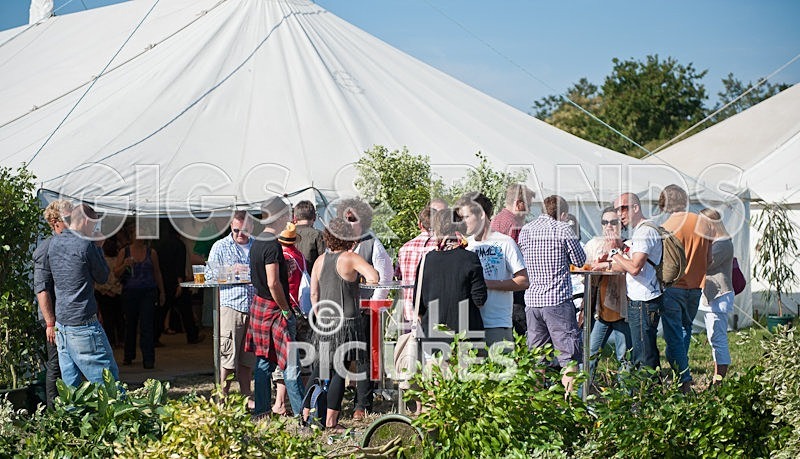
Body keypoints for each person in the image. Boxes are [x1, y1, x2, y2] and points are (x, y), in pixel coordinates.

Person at [309, 217, 380, 432]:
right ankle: (331, 421)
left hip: (324, 320)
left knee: (322, 368)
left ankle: (309, 415)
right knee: (340, 369)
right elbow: (374, 277)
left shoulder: (320, 260)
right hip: (347, 321)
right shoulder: (350, 257)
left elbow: (314, 293)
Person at [518, 195, 585, 392]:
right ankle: (571, 405)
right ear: (563, 214)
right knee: (568, 356)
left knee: (537, 358)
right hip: (557, 300)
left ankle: (537, 406)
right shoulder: (563, 228)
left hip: (532, 300)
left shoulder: (526, 230)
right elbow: (580, 260)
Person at [47, 203, 119, 386]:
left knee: (72, 391)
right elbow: (102, 277)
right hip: (84, 323)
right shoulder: (86, 244)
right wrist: (98, 247)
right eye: (94, 224)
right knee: (109, 385)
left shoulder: (54, 242)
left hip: (62, 323)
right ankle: (117, 416)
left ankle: (71, 416)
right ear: (87, 220)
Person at [246, 197, 306, 417]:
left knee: (263, 361)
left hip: (259, 307)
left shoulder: (257, 241)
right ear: (279, 216)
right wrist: (285, 309)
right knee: (289, 363)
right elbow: (273, 282)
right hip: (273, 308)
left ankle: (261, 411)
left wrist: (284, 267)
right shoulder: (272, 244)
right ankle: (302, 414)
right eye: (287, 215)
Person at [336, 197, 393, 420]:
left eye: (353, 219)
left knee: (363, 358)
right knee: (338, 358)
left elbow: (385, 278)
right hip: (340, 311)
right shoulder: (337, 244)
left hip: (365, 310)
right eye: (345, 219)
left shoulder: (373, 244)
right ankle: (335, 404)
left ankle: (362, 404)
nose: (348, 223)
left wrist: (373, 306)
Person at [596, 193, 662, 372]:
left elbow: (634, 268)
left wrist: (614, 252)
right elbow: (628, 265)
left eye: (623, 208)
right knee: (645, 350)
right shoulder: (640, 232)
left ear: (635, 207)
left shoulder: (644, 232)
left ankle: (646, 396)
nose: (619, 214)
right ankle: (653, 393)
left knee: (643, 355)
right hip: (641, 299)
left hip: (644, 300)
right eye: (616, 209)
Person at [659, 184, 713, 391]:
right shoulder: (703, 223)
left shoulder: (666, 226)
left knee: (673, 335)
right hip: (695, 287)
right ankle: (679, 372)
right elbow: (709, 259)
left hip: (673, 287)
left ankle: (684, 379)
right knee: (684, 329)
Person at [458, 193, 528, 349]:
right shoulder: (466, 245)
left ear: (482, 214)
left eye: (466, 217)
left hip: (497, 323)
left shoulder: (505, 242)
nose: (463, 222)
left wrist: (487, 284)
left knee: (502, 372)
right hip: (470, 323)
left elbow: (523, 280)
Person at [415, 208, 487, 357]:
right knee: (469, 379)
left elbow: (418, 306)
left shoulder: (426, 260)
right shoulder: (470, 259)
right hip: (466, 337)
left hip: (433, 339)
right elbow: (479, 300)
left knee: (435, 379)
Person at [206, 211, 257, 404]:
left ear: (251, 228)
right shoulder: (220, 246)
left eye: (244, 230)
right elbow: (209, 275)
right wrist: (230, 272)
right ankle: (222, 397)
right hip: (231, 306)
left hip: (252, 306)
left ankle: (246, 396)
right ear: (230, 227)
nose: (239, 234)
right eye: (236, 230)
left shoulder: (256, 246)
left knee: (247, 357)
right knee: (227, 354)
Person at [33, 199, 73, 409]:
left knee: (69, 363)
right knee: (56, 364)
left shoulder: (71, 243)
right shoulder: (46, 248)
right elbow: (41, 288)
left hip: (69, 314)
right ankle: (53, 412)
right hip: (54, 317)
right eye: (68, 217)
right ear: (56, 221)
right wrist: (50, 322)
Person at [584, 207, 630, 378]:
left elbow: (630, 268)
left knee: (624, 358)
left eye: (613, 222)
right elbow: (585, 270)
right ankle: (583, 397)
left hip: (622, 311)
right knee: (589, 356)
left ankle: (625, 400)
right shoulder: (593, 245)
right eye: (605, 222)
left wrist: (611, 255)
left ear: (621, 224)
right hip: (600, 311)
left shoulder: (629, 245)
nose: (608, 226)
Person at [114, 224, 166, 369]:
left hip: (148, 291)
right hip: (130, 292)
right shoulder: (124, 252)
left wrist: (162, 292)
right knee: (130, 324)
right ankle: (128, 355)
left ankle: (148, 359)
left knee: (147, 325)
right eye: (138, 232)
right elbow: (116, 273)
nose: (141, 235)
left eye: (144, 232)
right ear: (132, 235)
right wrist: (125, 264)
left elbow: (157, 272)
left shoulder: (151, 252)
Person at [272, 222, 308, 416]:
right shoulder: (299, 256)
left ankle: (280, 402)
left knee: (284, 359)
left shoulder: (282, 258)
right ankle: (302, 402)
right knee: (299, 357)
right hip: (301, 309)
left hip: (287, 308)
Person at [490, 183, 536, 336]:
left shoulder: (496, 220)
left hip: (495, 282)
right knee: (521, 329)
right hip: (512, 285)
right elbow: (517, 259)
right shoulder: (514, 225)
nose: (528, 210)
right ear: (518, 203)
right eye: (528, 205)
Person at [698, 208, 734, 384]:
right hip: (714, 296)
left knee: (718, 339)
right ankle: (716, 378)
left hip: (719, 296)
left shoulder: (722, 244)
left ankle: (718, 381)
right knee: (714, 339)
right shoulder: (717, 242)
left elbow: (705, 265)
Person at [397, 205, 439, 322]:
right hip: (434, 311)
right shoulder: (440, 247)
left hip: (410, 311)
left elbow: (399, 276)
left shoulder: (404, 248)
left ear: (419, 224)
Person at [293, 200, 326, 273]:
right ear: (314, 218)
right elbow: (323, 261)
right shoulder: (318, 235)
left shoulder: (285, 234)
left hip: (290, 280)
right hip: (311, 279)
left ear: (295, 218)